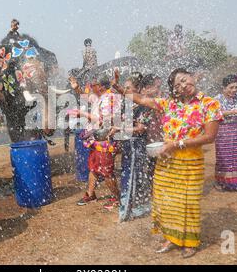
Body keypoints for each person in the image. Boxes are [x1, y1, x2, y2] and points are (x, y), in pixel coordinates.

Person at [112, 67, 222, 258]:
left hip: (190, 162)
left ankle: (190, 241)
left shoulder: (209, 103)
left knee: (187, 202)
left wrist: (178, 143)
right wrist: (119, 88)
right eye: (177, 84)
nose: (183, 85)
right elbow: (139, 99)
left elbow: (210, 137)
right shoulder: (169, 104)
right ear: (174, 90)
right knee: (166, 200)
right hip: (166, 160)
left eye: (184, 79)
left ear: (191, 77)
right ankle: (171, 237)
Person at [71, 74, 121, 210]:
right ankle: (90, 194)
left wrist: (83, 115)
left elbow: (101, 121)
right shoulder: (99, 97)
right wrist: (76, 89)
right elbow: (85, 96)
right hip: (96, 139)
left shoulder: (109, 98)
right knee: (93, 167)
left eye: (93, 85)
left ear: (101, 87)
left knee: (106, 172)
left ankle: (117, 197)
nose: (90, 88)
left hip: (106, 140)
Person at [110, 73, 151, 221]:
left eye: (128, 88)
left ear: (138, 88)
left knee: (131, 177)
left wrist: (119, 129)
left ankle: (126, 211)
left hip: (137, 145)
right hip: (128, 144)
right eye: (124, 87)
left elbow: (141, 128)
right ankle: (135, 208)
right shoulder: (126, 103)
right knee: (130, 175)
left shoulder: (143, 105)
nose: (125, 90)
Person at [214, 75, 237, 191]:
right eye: (231, 87)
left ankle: (236, 184)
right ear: (223, 88)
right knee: (224, 157)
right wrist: (232, 112)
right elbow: (215, 114)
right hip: (223, 132)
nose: (234, 90)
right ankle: (221, 182)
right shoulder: (217, 99)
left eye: (236, 87)